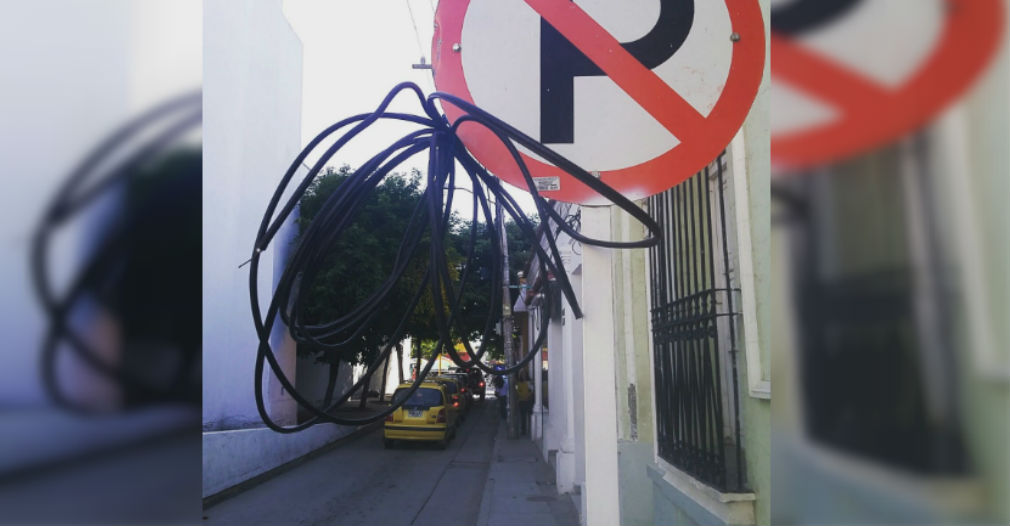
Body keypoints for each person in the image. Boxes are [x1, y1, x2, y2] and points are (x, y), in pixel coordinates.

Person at [516, 369, 533, 435]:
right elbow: (517, 391)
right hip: (521, 402)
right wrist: (522, 396)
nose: (523, 375)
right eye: (522, 374)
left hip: (528, 401)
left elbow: (532, 391)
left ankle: (530, 430)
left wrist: (528, 396)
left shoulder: (529, 382)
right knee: (523, 417)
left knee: (529, 415)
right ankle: (523, 430)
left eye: (524, 374)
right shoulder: (518, 383)